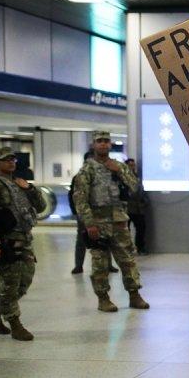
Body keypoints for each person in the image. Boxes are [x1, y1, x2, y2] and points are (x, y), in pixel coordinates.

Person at [72, 132, 150, 312]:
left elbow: (135, 187)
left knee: (127, 259)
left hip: (119, 221)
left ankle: (134, 295)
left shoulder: (119, 166)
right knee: (100, 262)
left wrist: (120, 171)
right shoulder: (87, 170)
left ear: (110, 144)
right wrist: (89, 223)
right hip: (98, 222)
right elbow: (80, 199)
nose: (103, 144)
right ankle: (103, 298)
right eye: (99, 141)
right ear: (93, 145)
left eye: (106, 141)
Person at [0, 147, 46, 341]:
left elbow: (41, 207)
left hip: (24, 239)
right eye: (5, 159)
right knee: (10, 283)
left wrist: (30, 189)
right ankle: (15, 324)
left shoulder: (18, 183)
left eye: (12, 159)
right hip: (7, 240)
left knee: (25, 281)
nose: (10, 162)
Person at [125, 159, 149, 255]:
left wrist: (145, 201)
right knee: (125, 230)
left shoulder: (138, 178)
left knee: (141, 229)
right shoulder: (122, 177)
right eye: (130, 165)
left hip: (138, 209)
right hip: (126, 209)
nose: (132, 167)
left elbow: (143, 191)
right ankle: (126, 249)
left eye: (133, 165)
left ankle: (140, 247)